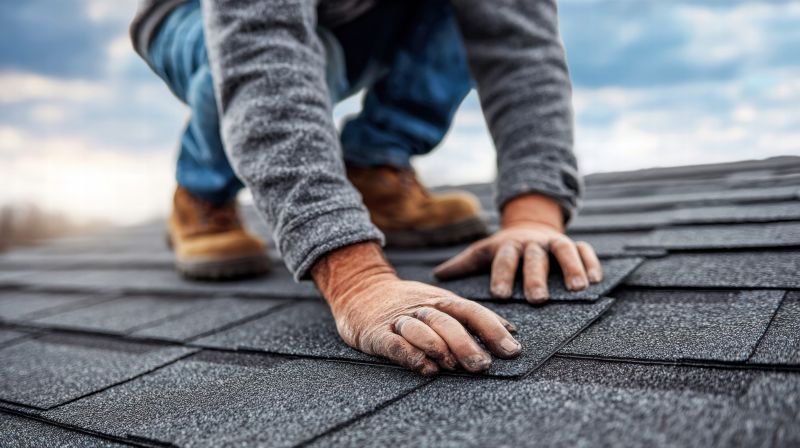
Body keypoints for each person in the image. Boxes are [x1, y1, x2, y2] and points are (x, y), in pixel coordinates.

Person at [130, 0, 603, 375]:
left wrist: (533, 213)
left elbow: (519, 42)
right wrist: (356, 277)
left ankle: (372, 165)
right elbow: (261, 55)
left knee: (464, 15)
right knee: (271, 59)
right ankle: (202, 190)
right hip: (199, 15)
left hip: (365, 14)